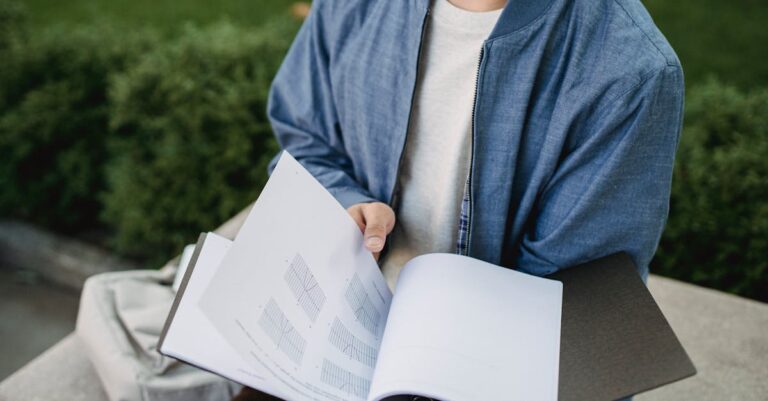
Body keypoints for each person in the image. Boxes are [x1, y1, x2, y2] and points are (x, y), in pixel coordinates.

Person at [237, 0, 682, 398]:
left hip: (489, 372)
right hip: (341, 334)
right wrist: (347, 203)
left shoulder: (631, 71)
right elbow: (305, 138)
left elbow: (576, 300)